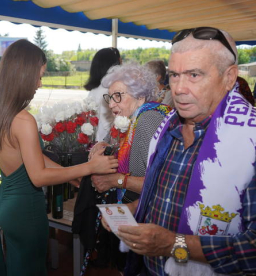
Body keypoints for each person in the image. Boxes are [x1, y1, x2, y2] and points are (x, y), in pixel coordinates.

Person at [110, 27, 256, 275]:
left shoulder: (249, 141)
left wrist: (173, 244)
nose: (178, 89)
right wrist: (134, 211)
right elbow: (165, 197)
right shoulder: (167, 128)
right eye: (174, 75)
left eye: (194, 75)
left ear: (229, 77)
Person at [0, 39, 118, 276]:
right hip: (25, 208)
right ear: (23, 75)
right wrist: (90, 167)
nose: (39, 83)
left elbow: (32, 157)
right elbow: (37, 177)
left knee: (17, 267)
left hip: (4, 204)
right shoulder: (24, 120)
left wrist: (67, 176)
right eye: (38, 76)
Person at [73, 62, 172, 273]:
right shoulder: (139, 117)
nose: (111, 104)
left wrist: (113, 180)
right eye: (110, 97)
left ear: (140, 96)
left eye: (119, 96)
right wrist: (108, 145)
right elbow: (137, 155)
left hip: (149, 219)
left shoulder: (148, 120)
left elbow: (159, 183)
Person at [84, 47, 122, 142]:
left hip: (94, 142)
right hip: (105, 143)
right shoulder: (110, 90)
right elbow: (108, 125)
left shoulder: (94, 90)